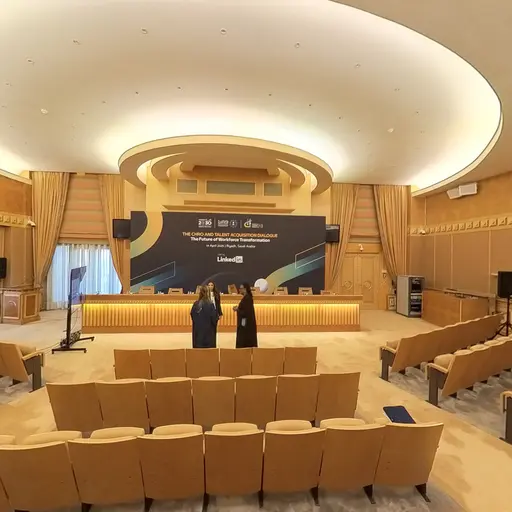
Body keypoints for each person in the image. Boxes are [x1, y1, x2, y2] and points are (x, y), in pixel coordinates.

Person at [233, 282, 258, 348]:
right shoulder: (246, 298)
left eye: (241, 288)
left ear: (245, 289)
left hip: (245, 323)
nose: (239, 290)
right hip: (245, 322)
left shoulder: (247, 298)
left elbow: (246, 312)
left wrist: (237, 309)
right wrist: (238, 308)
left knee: (244, 338)